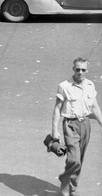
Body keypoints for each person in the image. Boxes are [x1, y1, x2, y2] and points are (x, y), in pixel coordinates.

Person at [52, 58, 102, 196]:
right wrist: (55, 130)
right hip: (70, 125)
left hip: (85, 124)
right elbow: (57, 109)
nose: (80, 72)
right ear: (73, 69)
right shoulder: (64, 86)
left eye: (83, 69)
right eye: (77, 69)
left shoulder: (91, 85)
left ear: (87, 70)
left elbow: (95, 107)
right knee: (74, 159)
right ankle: (64, 182)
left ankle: (72, 188)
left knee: (80, 159)